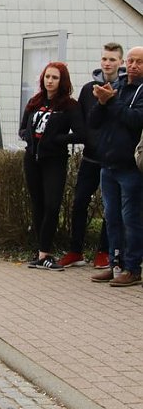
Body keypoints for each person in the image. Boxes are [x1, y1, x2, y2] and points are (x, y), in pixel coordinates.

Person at [58, 43, 123, 268]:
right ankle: (75, 251)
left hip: (112, 159)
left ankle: (104, 251)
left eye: (112, 59)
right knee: (79, 203)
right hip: (90, 157)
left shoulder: (124, 88)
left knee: (109, 207)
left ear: (120, 63)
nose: (107, 63)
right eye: (105, 58)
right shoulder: (88, 89)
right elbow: (84, 122)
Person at [19, 62, 85, 270]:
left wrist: (57, 139)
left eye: (55, 77)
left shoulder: (69, 105)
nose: (50, 81)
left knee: (52, 205)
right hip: (32, 158)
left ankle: (45, 252)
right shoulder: (35, 101)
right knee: (37, 204)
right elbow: (22, 128)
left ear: (62, 80)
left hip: (54, 160)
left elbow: (81, 133)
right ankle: (41, 252)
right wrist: (29, 138)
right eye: (47, 77)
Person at [89, 46, 143, 286]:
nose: (133, 66)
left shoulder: (141, 91)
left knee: (131, 219)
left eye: (139, 62)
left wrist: (111, 103)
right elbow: (94, 122)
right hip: (107, 163)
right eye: (130, 61)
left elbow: (135, 120)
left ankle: (132, 268)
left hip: (131, 167)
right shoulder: (117, 86)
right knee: (111, 218)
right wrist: (101, 103)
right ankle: (115, 264)